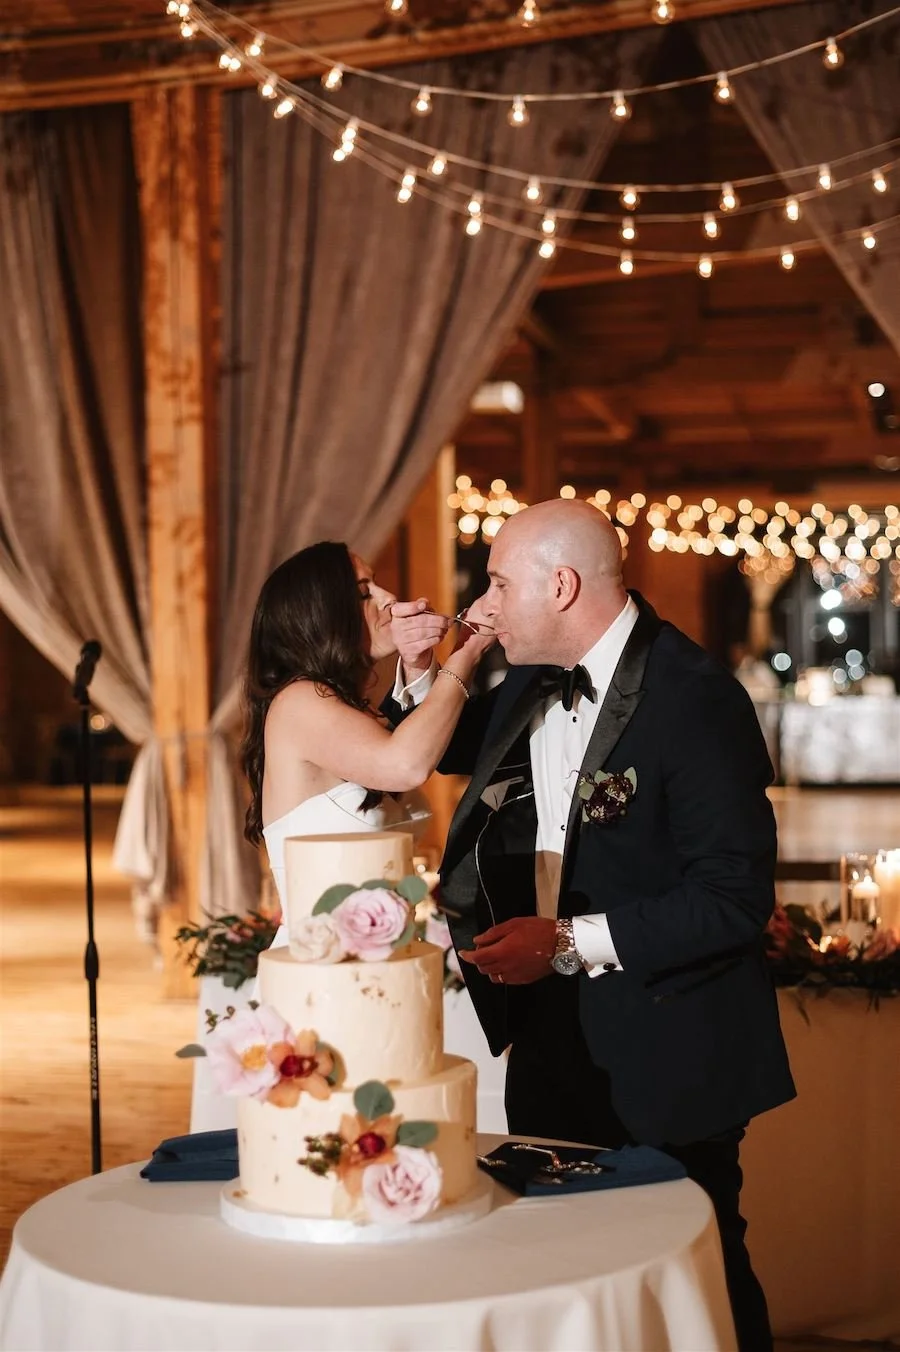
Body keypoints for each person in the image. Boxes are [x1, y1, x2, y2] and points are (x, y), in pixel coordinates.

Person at [387, 500, 795, 1352]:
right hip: (550, 1032)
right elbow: (439, 746)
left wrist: (569, 941)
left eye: (499, 582)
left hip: (671, 1039)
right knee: (567, 1267)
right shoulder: (529, 682)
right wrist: (425, 669)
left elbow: (732, 897)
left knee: (700, 1269)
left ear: (561, 585)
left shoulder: (695, 698)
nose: (486, 603)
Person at [242, 540, 491, 949]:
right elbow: (404, 765)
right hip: (324, 966)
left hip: (380, 961)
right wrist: (465, 659)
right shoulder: (299, 702)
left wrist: (419, 663)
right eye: (364, 592)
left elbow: (417, 743)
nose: (389, 599)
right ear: (320, 616)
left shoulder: (345, 709)